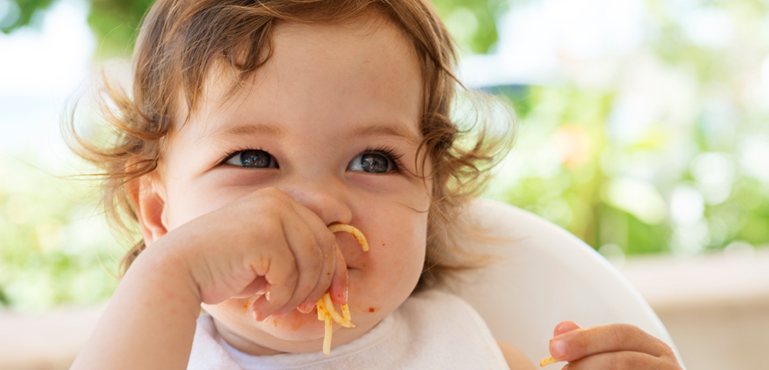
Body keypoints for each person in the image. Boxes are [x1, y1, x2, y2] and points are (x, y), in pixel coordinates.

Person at [66, 0, 682, 369]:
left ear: (428, 202)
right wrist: (171, 274)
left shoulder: (459, 348)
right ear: (157, 214)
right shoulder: (156, 351)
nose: (318, 201)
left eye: (374, 161)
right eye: (251, 157)